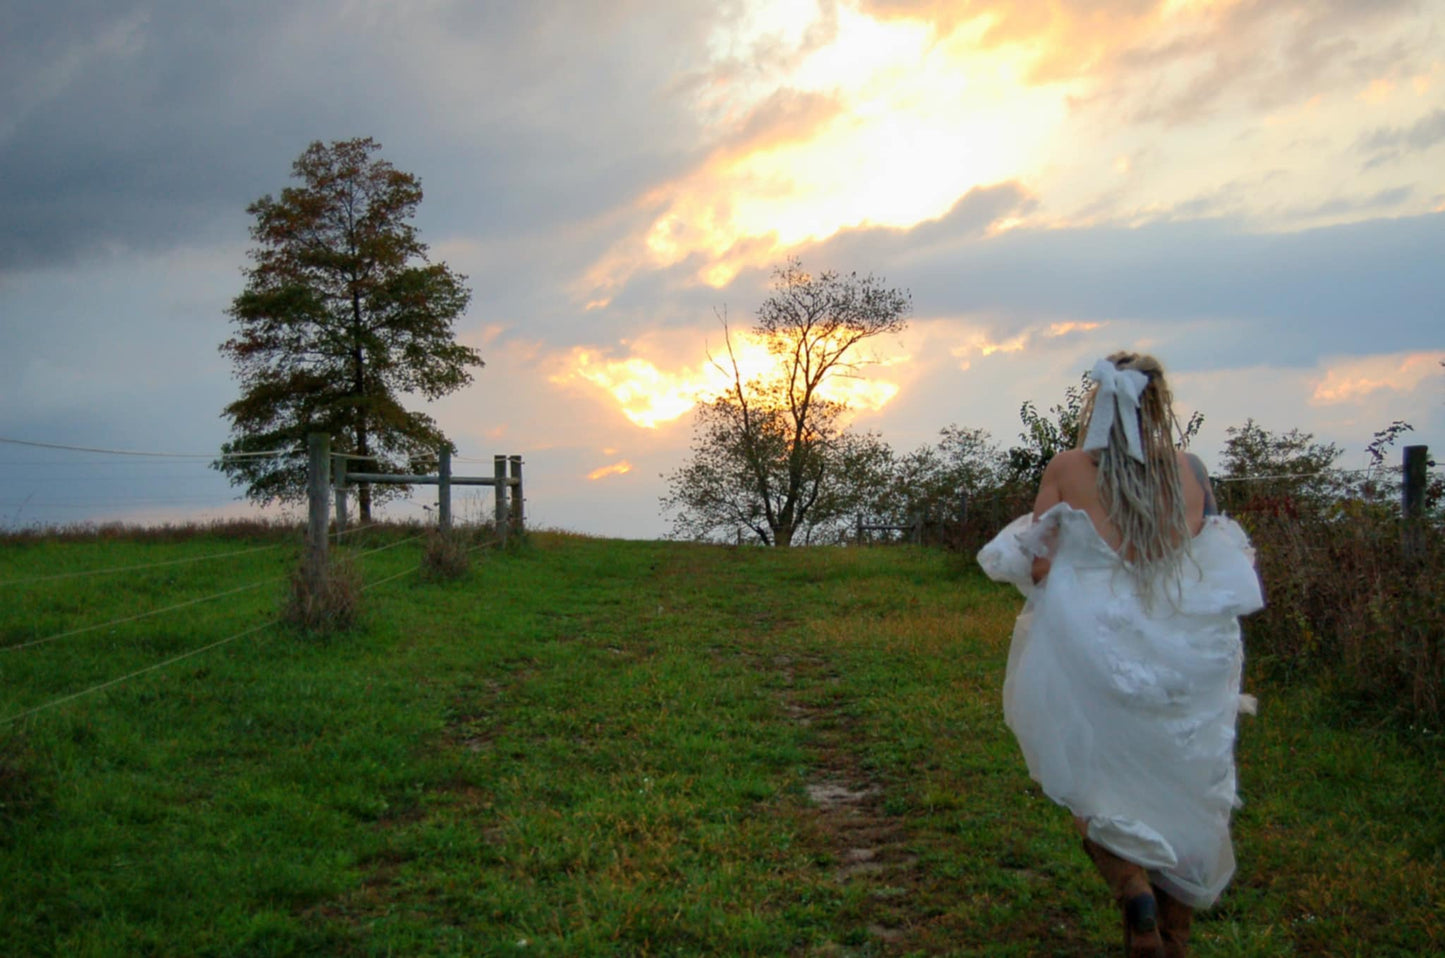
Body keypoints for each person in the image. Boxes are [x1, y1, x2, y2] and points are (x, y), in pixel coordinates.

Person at [978, 352, 1263, 957]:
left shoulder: (1068, 467)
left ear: (1098, 403)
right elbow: (1211, 559)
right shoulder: (1191, 471)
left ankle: (1132, 888)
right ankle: (1175, 933)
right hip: (1185, 655)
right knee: (1188, 788)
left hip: (1098, 648)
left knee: (1095, 784)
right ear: (1159, 405)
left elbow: (1038, 560)